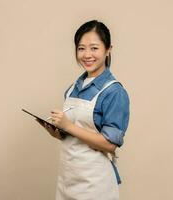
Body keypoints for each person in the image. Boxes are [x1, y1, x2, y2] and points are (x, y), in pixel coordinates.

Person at [36, 20, 130, 200]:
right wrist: (58, 132)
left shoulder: (114, 92)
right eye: (81, 48)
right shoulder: (73, 88)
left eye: (94, 48)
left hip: (95, 184)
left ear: (108, 49)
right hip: (68, 179)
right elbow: (77, 134)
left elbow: (110, 144)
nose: (87, 55)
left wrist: (69, 126)